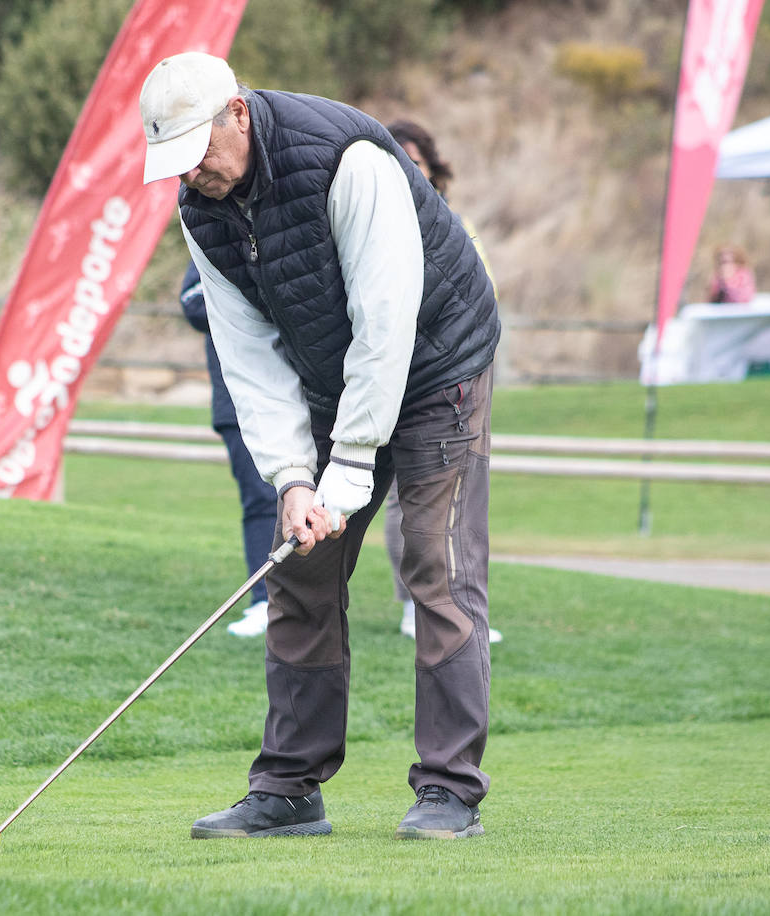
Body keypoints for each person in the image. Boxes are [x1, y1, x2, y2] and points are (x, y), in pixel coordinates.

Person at [139, 52, 501, 841]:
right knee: (299, 570)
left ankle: (448, 790)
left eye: (201, 150)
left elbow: (385, 322)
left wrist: (349, 465)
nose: (194, 172)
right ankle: (290, 789)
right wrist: (296, 478)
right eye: (178, 162)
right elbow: (248, 353)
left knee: (437, 571)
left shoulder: (349, 162)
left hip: (439, 364)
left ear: (238, 113)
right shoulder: (201, 209)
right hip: (330, 379)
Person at [383, 119, 501, 646]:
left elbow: (483, 288)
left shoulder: (456, 222)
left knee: (465, 494)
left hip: (461, 369)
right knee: (402, 499)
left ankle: (461, 605)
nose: (411, 169)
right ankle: (413, 601)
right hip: (402, 372)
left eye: (418, 159)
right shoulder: (379, 219)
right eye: (399, 159)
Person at [180, 262, 278, 637]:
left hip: (305, 394)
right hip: (236, 400)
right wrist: (250, 290)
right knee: (259, 500)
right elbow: (192, 302)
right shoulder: (210, 233)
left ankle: (312, 604)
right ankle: (263, 601)